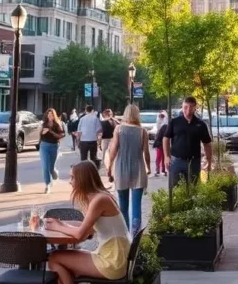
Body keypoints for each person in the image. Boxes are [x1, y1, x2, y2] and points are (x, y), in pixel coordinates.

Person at [46, 162, 130, 284]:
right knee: (63, 267)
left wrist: (58, 226)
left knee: (54, 258)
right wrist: (60, 224)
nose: (70, 182)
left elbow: (80, 235)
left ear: (83, 179)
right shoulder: (102, 197)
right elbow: (86, 229)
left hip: (112, 262)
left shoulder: (99, 200)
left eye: (73, 178)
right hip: (115, 257)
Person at [106, 104, 150, 235]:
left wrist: (109, 168)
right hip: (138, 169)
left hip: (121, 169)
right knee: (137, 205)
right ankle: (135, 235)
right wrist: (148, 168)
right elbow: (146, 153)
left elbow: (113, 151)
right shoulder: (143, 132)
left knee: (123, 205)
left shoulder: (119, 129)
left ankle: (125, 235)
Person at [162, 96, 213, 186]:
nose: (188, 110)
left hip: (194, 162)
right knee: (175, 189)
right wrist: (166, 156)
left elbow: (207, 143)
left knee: (193, 189)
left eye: (191, 107)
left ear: (195, 108)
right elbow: (166, 138)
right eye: (185, 107)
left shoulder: (200, 124)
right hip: (177, 161)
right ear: (182, 107)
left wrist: (208, 160)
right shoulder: (174, 122)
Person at [40, 108, 65, 194]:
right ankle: (47, 185)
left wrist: (50, 131)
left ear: (54, 116)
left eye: (51, 114)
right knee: (45, 166)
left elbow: (61, 135)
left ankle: (53, 171)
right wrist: (42, 132)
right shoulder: (44, 124)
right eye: (48, 114)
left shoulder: (57, 124)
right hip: (44, 146)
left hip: (54, 146)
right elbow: (40, 134)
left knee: (50, 167)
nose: (50, 116)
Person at [152, 111, 168, 177]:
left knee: (163, 157)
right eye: (160, 116)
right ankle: (158, 170)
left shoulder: (166, 125)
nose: (161, 117)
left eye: (162, 116)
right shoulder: (158, 124)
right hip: (160, 144)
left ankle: (163, 170)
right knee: (159, 157)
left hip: (163, 144)